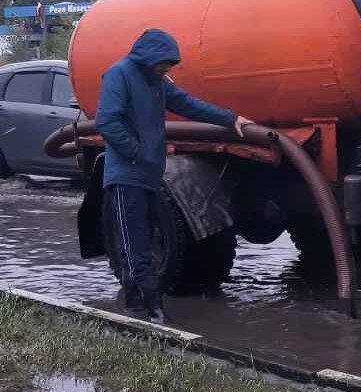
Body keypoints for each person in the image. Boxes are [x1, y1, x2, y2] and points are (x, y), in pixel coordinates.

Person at [95, 28, 252, 323]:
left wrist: (231, 119)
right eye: (164, 62)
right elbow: (106, 121)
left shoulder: (157, 81)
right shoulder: (119, 75)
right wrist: (138, 153)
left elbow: (189, 104)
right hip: (125, 176)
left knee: (140, 241)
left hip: (150, 175)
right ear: (148, 57)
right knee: (135, 242)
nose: (168, 68)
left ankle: (132, 304)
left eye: (171, 63)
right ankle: (155, 312)